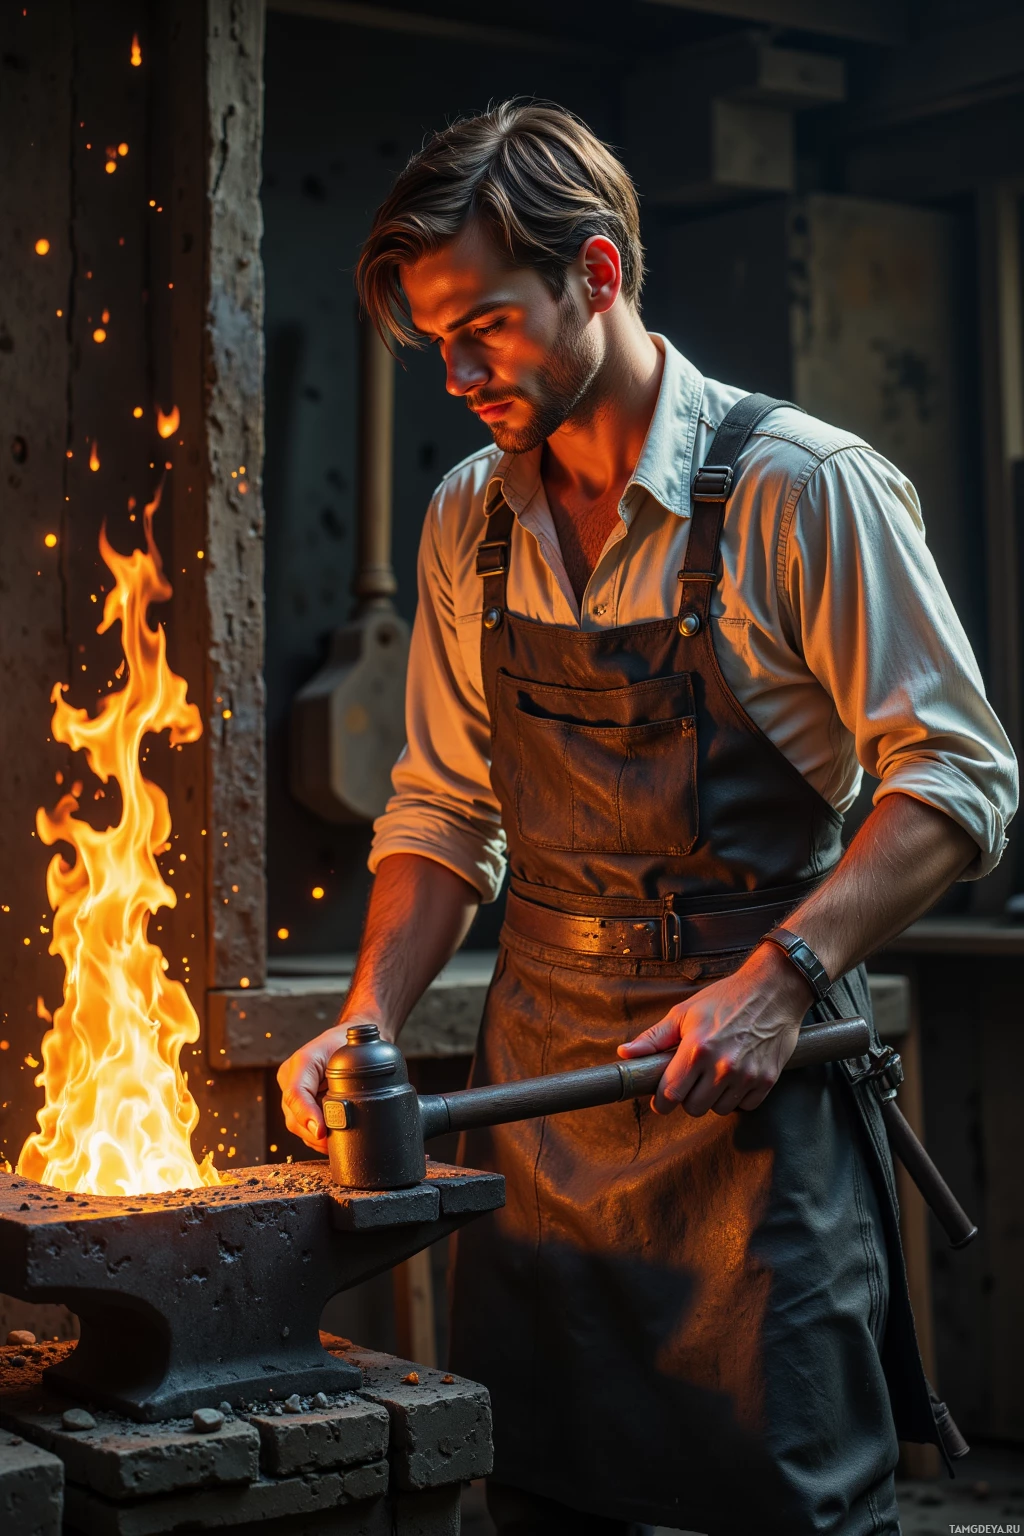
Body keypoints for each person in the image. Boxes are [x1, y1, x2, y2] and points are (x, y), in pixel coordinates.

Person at [278, 101, 1017, 1535]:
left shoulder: (805, 492)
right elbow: (439, 809)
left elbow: (959, 779)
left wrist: (777, 982)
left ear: (598, 275)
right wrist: (371, 1016)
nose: (455, 371)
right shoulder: (465, 522)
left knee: (779, 1501)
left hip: (758, 1102)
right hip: (541, 1106)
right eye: (435, 340)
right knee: (549, 1493)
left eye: (484, 325)